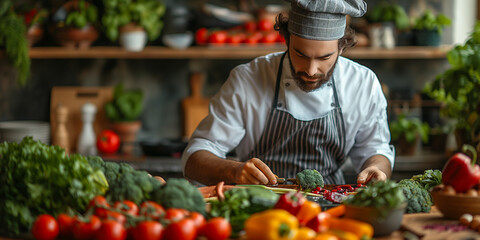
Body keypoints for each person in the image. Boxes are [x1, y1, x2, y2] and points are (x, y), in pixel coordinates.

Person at [181, 0, 395, 186]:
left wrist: (378, 169)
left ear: (341, 47)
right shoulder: (247, 80)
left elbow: (376, 150)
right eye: (300, 54)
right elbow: (194, 159)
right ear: (286, 39)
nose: (311, 70)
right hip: (260, 208)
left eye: (324, 58)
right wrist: (234, 171)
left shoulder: (362, 84)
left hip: (331, 203)